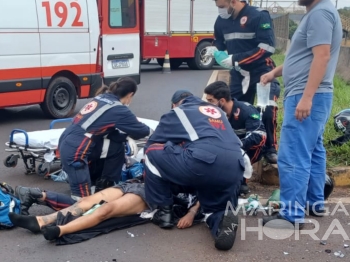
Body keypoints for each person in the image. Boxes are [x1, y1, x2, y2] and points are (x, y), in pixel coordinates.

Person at [15, 77, 152, 215]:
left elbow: (103, 130)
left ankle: (106, 186)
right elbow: (143, 131)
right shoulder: (119, 109)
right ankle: (35, 195)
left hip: (69, 143)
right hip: (76, 153)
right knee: (85, 207)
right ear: (130, 95)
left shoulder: (101, 98)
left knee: (116, 147)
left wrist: (123, 137)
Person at [261, 0, 342, 228]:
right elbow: (302, 58)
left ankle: (291, 216)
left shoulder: (320, 13)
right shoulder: (318, 12)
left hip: (306, 96)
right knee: (314, 150)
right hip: (316, 96)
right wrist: (273, 73)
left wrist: (306, 97)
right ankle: (314, 202)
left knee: (294, 156)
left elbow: (322, 56)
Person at [144, 90, 245, 251]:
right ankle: (221, 224)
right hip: (236, 165)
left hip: (202, 162)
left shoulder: (178, 112)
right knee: (213, 208)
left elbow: (154, 142)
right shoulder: (218, 112)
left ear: (174, 104)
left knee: (151, 153)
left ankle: (164, 212)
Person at [9, 180, 204, 242]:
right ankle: (42, 221)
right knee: (88, 201)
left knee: (106, 209)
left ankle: (61, 230)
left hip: (153, 196)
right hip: (138, 183)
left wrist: (191, 213)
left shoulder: (201, 161)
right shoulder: (172, 142)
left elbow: (207, 193)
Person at [210, 0, 281, 164]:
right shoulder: (221, 21)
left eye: (222, 6)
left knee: (267, 108)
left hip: (262, 71)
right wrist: (215, 51)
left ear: (233, 2)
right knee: (234, 112)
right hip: (239, 74)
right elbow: (219, 42)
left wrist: (235, 58)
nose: (220, 10)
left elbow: (267, 47)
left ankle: (270, 148)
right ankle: (240, 149)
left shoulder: (258, 16)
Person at [204, 81, 266, 194]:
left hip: (244, 147)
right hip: (224, 147)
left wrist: (236, 146)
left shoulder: (246, 110)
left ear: (222, 101)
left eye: (211, 101)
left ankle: (241, 179)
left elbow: (259, 136)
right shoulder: (212, 113)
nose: (208, 105)